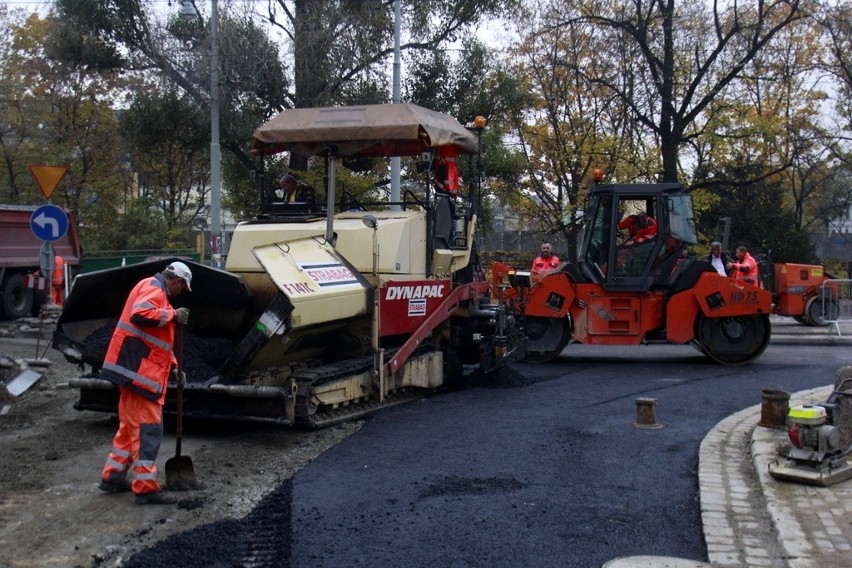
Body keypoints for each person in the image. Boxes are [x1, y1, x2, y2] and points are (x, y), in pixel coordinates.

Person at [98, 262, 192, 505]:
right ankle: (146, 488)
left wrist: (174, 367)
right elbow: (140, 314)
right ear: (177, 281)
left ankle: (113, 476)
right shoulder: (155, 289)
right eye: (183, 287)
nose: (181, 292)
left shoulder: (152, 289)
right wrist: (174, 315)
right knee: (149, 430)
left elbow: (157, 342)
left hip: (131, 370)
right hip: (139, 373)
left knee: (130, 427)